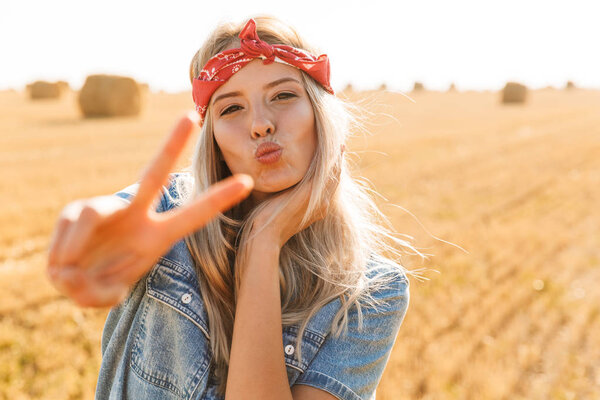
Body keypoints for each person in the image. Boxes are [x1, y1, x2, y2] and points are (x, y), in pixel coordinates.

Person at [47, 15, 412, 400]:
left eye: (283, 96)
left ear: (321, 112)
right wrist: (87, 249)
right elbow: (102, 232)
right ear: (213, 138)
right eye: (231, 109)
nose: (260, 124)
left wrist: (263, 243)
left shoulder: (372, 294)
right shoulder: (168, 215)